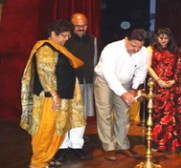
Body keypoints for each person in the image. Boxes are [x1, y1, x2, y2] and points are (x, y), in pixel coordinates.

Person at [20, 20, 85, 168]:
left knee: (58, 130)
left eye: (68, 36)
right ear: (52, 34)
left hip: (63, 97)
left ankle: (45, 161)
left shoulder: (59, 48)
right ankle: (38, 163)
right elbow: (45, 73)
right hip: (50, 98)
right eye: (63, 36)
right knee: (46, 131)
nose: (66, 39)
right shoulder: (45, 48)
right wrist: (54, 95)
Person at [94, 28, 148, 161]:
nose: (136, 50)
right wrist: (123, 93)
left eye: (139, 47)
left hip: (126, 82)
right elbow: (110, 75)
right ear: (126, 39)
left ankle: (122, 144)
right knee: (105, 113)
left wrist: (133, 89)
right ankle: (109, 146)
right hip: (104, 81)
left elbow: (141, 70)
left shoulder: (144, 52)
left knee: (123, 114)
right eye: (133, 46)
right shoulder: (111, 49)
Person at [54, 13, 97, 160]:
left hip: (86, 83)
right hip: (66, 83)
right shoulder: (64, 39)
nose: (81, 28)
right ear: (71, 25)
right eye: (78, 25)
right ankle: (62, 146)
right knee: (64, 115)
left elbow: (95, 60)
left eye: (84, 25)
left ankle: (77, 145)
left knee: (81, 116)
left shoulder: (92, 39)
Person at [147, 27, 181, 154]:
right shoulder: (151, 49)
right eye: (161, 38)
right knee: (160, 114)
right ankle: (158, 142)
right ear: (157, 37)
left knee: (173, 114)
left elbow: (179, 67)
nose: (163, 41)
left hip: (173, 86)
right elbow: (148, 67)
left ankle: (172, 142)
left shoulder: (174, 50)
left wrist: (174, 81)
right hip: (159, 85)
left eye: (166, 38)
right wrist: (158, 80)